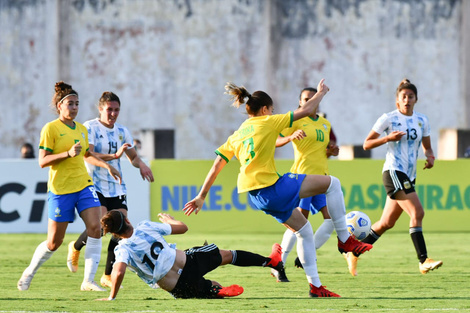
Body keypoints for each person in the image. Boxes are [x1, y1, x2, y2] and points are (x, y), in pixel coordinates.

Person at [183, 79, 372, 298]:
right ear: (264, 110)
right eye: (271, 110)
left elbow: (217, 165)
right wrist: (321, 93)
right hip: (273, 187)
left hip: (256, 196)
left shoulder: (237, 134)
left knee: (304, 231)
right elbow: (308, 109)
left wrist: (200, 196)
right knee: (334, 184)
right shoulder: (269, 121)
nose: (273, 113)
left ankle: (316, 287)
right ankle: (345, 240)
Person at [17, 81, 121, 292]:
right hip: (61, 190)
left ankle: (88, 281)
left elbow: (87, 154)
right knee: (54, 242)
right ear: (59, 106)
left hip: (84, 185)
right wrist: (66, 153)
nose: (74, 108)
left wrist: (107, 165)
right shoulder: (51, 128)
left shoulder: (82, 129)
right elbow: (42, 161)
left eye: (77, 104)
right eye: (70, 104)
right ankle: (29, 272)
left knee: (96, 228)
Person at [345, 79, 443, 276]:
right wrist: (387, 138)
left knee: (386, 222)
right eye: (403, 97)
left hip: (409, 175)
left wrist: (430, 156)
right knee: (418, 213)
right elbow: (367, 143)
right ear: (397, 100)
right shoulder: (388, 118)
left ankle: (354, 251)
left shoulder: (422, 120)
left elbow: (428, 146)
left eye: (411, 96)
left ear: (416, 99)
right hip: (393, 172)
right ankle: (423, 260)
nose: (407, 100)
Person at [67, 91, 154, 290]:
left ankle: (107, 275)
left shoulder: (122, 131)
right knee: (100, 225)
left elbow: (132, 157)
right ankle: (76, 246)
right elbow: (87, 155)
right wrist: (111, 159)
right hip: (94, 184)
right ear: (100, 109)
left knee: (120, 228)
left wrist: (141, 164)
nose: (113, 113)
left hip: (117, 186)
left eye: (116, 110)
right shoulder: (90, 127)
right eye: (109, 109)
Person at [96, 210, 284, 300]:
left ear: (114, 233)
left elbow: (119, 272)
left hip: (176, 286)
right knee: (227, 255)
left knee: (201, 288)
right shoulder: (145, 226)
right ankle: (270, 262)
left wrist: (112, 296)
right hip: (188, 262)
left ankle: (215, 289)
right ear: (128, 220)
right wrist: (171, 220)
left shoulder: (122, 249)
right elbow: (183, 228)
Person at [271, 87, 339, 282]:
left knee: (331, 219)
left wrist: (331, 151)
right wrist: (290, 137)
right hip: (301, 179)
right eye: (305, 99)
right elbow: (275, 140)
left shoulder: (325, 124)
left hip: (321, 179)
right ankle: (279, 264)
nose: (309, 101)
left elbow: (320, 151)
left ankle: (305, 257)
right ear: (300, 102)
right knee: (300, 222)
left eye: (312, 98)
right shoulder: (295, 121)